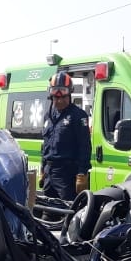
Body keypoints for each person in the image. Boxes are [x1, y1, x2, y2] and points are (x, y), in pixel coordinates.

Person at [40, 72, 91, 201]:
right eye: (56, 98)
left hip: (67, 174)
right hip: (49, 172)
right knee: (47, 211)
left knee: (68, 212)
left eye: (63, 98)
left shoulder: (78, 116)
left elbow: (84, 146)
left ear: (70, 95)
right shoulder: (48, 116)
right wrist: (42, 169)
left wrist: (82, 174)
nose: (59, 101)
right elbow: (45, 145)